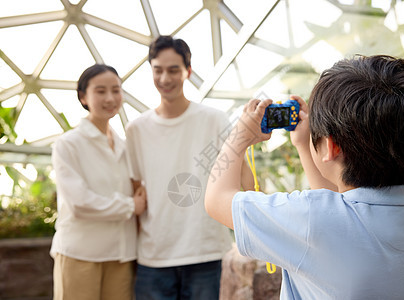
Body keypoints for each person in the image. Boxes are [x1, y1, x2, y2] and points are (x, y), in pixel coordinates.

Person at [205, 55, 404, 299]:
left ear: (332, 147)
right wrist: (304, 144)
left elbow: (217, 200)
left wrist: (239, 138)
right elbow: (336, 210)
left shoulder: (313, 219)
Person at [126, 35, 254, 300]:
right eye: (158, 70)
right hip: (153, 256)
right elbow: (136, 188)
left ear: (188, 72)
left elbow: (241, 172)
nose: (164, 79)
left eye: (173, 70)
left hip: (204, 251)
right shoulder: (136, 129)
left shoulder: (214, 120)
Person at [50, 64, 147, 300]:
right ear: (83, 97)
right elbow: (79, 203)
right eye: (101, 91)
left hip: (120, 256)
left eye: (116, 90)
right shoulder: (68, 144)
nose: (110, 98)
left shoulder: (126, 146)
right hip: (80, 255)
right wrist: (129, 206)